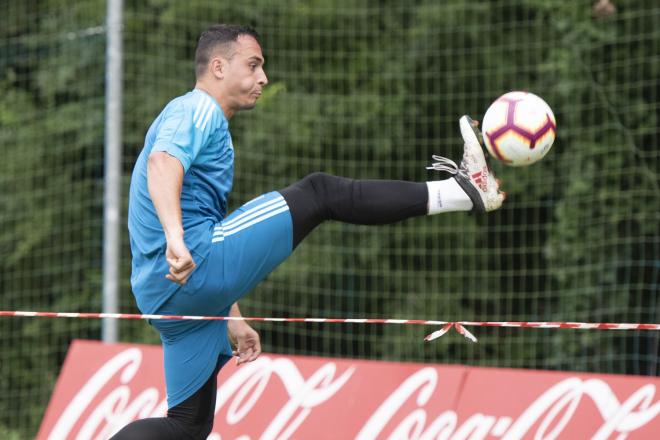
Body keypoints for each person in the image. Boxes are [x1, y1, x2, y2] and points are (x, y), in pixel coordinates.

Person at [112, 24, 504, 439]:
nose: (263, 77)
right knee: (320, 193)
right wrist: (175, 237)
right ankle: (460, 191)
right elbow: (162, 163)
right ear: (218, 67)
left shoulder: (210, 125)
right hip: (189, 270)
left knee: (186, 427)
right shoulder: (198, 109)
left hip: (169, 294)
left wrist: (232, 315)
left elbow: (208, 223)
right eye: (254, 65)